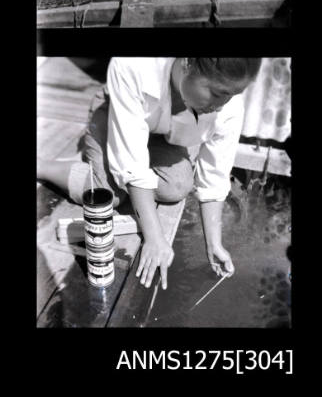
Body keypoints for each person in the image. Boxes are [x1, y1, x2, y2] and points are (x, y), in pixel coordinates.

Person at [37, 57, 261, 291]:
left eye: (233, 94)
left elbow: (214, 175)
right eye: (216, 93)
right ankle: (44, 165)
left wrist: (214, 244)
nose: (223, 104)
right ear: (187, 63)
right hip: (116, 111)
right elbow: (132, 165)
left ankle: (103, 162)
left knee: (176, 187)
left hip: (160, 133)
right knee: (109, 195)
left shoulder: (229, 107)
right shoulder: (132, 65)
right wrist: (154, 238)